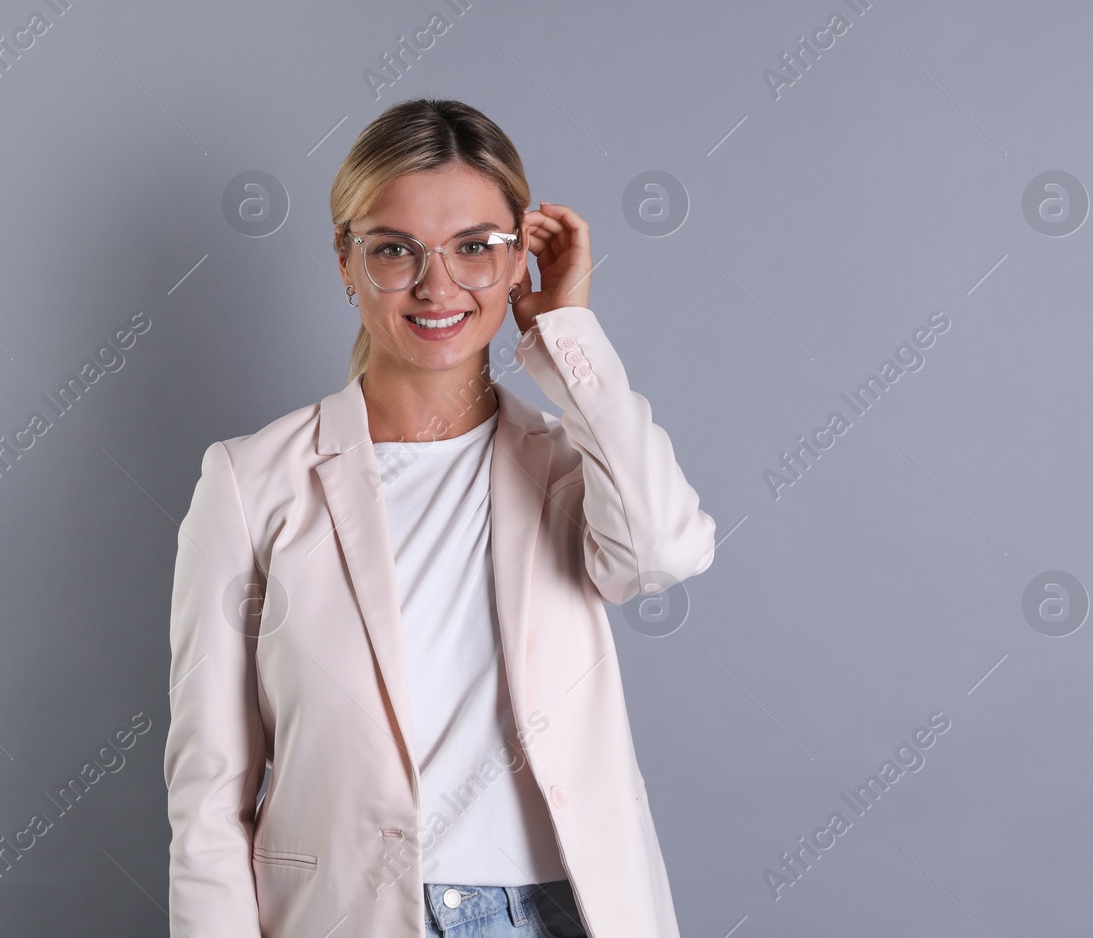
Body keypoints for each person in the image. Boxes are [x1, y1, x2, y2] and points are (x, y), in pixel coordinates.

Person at [165, 98, 716, 937]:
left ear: (517, 257)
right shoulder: (249, 483)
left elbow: (665, 553)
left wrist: (569, 331)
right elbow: (210, 789)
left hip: (564, 911)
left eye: (474, 248)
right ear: (346, 262)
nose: (437, 284)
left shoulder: (571, 467)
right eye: (394, 249)